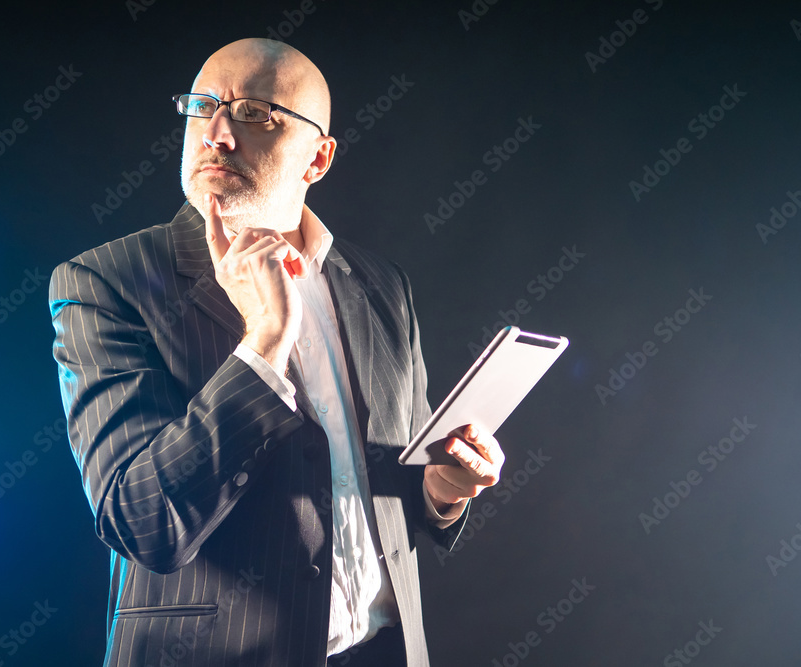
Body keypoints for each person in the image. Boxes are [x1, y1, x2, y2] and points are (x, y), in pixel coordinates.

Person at [49, 38, 505, 667]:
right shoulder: (106, 281)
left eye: (256, 114)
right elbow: (142, 522)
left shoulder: (381, 286)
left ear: (318, 159)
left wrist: (445, 491)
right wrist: (264, 343)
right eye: (203, 106)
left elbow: (398, 475)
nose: (217, 134)